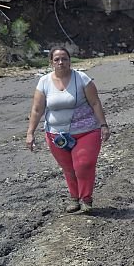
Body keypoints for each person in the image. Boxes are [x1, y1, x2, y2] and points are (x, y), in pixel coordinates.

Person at [26, 47, 112, 213]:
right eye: (57, 59)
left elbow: (95, 102)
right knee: (68, 168)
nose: (61, 62)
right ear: (51, 62)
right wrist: (30, 133)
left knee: (84, 165)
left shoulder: (81, 78)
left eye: (64, 59)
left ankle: (86, 199)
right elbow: (37, 110)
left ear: (69, 61)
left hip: (87, 130)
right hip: (56, 135)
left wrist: (103, 125)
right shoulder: (44, 82)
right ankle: (74, 198)